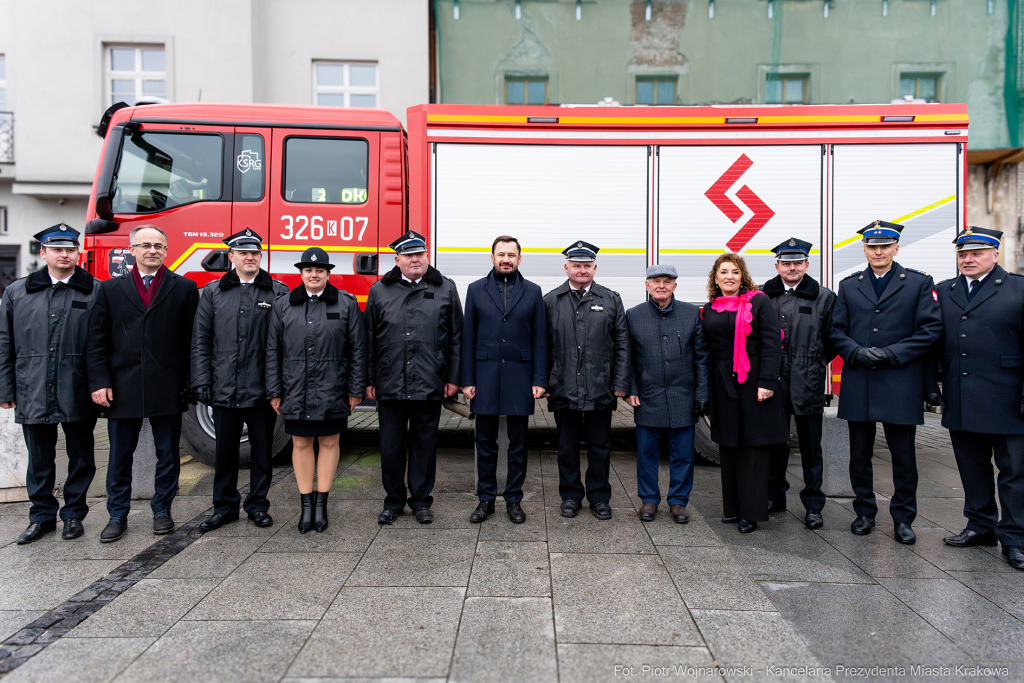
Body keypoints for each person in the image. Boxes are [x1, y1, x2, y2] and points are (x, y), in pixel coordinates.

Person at [829, 220, 942, 545]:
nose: (878, 252)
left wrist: (892, 353)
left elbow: (930, 330)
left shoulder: (918, 283)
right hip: (860, 378)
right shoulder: (850, 285)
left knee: (904, 457)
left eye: (884, 246)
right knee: (859, 455)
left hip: (900, 380)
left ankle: (904, 519)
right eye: (872, 246)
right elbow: (837, 329)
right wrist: (856, 352)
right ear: (864, 249)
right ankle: (864, 512)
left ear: (895, 247)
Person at [86, 225, 199, 543]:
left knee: (168, 454)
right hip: (122, 387)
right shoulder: (109, 290)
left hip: (168, 385)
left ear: (167, 251)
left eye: (158, 245)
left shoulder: (184, 289)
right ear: (131, 250)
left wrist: (190, 383)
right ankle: (117, 514)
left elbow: (193, 341)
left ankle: (162, 510)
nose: (152, 250)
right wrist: (99, 381)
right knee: (120, 455)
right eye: (145, 245)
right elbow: (96, 341)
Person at [929, 227, 1024, 570]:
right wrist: (932, 386)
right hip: (962, 396)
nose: (967, 259)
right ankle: (980, 525)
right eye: (962, 254)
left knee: (1014, 472)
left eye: (976, 253)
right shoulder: (944, 291)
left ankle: (1014, 537)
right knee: (972, 467)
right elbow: (933, 345)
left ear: (995, 254)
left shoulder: (1018, 288)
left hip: (1009, 399)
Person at [0, 225, 99, 544]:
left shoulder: (95, 290)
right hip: (33, 386)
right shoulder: (17, 291)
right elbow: (5, 342)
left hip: (78, 385)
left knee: (82, 455)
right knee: (39, 456)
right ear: (43, 253)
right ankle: (42, 516)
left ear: (78, 252)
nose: (64, 254)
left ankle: (73, 514)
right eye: (57, 249)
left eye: (70, 249)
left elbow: (104, 344)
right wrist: (5, 388)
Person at [191, 229, 289, 531]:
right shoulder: (212, 292)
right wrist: (201, 380)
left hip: (262, 389)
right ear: (230, 256)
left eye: (255, 253)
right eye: (243, 252)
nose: (250, 257)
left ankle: (258, 505)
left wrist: (280, 386)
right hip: (224, 387)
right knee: (225, 452)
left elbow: (286, 342)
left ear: (261, 256)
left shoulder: (277, 291)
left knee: (262, 452)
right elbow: (201, 339)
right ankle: (224, 507)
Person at [266, 247, 366, 534]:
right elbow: (273, 350)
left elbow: (358, 350)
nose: (314, 275)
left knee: (330, 443)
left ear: (327, 274)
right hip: (294, 387)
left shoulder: (345, 304)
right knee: (300, 443)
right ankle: (306, 506)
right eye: (308, 270)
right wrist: (274, 390)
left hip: (333, 388)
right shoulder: (283, 305)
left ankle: (321, 506)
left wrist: (355, 388)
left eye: (319, 270)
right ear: (301, 273)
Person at [365, 231, 462, 525]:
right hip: (389, 382)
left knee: (424, 445)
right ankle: (393, 501)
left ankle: (421, 501)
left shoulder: (445, 288)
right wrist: (369, 379)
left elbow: (457, 337)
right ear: (397, 260)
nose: (414, 259)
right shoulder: (379, 290)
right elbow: (368, 338)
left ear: (427, 256)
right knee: (391, 446)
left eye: (419, 253)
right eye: (408, 255)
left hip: (429, 382)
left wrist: (453, 377)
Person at [461, 236, 547, 524]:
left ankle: (514, 499)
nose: (506, 259)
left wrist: (539, 378)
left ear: (519, 259)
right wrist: (467, 379)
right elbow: (468, 337)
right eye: (501, 254)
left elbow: (540, 339)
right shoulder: (475, 290)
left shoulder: (533, 292)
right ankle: (486, 500)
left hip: (520, 376)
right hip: (484, 375)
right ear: (492, 257)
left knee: (518, 443)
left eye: (511, 254)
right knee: (485, 442)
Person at [543, 241, 630, 520]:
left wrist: (620, 382)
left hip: (600, 387)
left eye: (587, 266)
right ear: (566, 267)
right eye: (576, 265)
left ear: (595, 268)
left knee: (600, 446)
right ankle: (570, 496)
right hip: (563, 386)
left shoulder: (611, 299)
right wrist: (544, 381)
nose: (582, 270)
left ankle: (599, 497)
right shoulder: (551, 301)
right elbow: (542, 345)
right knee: (566, 446)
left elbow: (622, 344)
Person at [702, 253, 787, 533]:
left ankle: (751, 512)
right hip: (722, 383)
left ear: (743, 277)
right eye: (723, 272)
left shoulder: (758, 302)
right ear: (715, 278)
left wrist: (768, 381)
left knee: (753, 447)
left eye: (735, 272)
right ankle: (733, 508)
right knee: (728, 445)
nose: (729, 276)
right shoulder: (711, 308)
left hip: (754, 382)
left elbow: (772, 343)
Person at [762, 238, 837, 530]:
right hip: (774, 380)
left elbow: (832, 340)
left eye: (797, 262)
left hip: (808, 380)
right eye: (786, 263)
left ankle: (814, 505)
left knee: (810, 447)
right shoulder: (763, 295)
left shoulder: (824, 297)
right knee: (775, 443)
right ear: (777, 265)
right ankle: (774, 496)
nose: (792, 268)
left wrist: (813, 362)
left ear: (807, 264)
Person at [626, 264, 708, 524]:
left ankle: (678, 501)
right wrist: (631, 389)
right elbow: (627, 357)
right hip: (648, 397)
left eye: (667, 281)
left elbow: (701, 357)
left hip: (683, 396)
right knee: (646, 454)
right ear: (647, 285)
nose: (661, 285)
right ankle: (649, 500)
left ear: (675, 285)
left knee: (683, 454)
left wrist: (702, 393)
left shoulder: (691, 313)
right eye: (655, 281)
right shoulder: (633, 315)